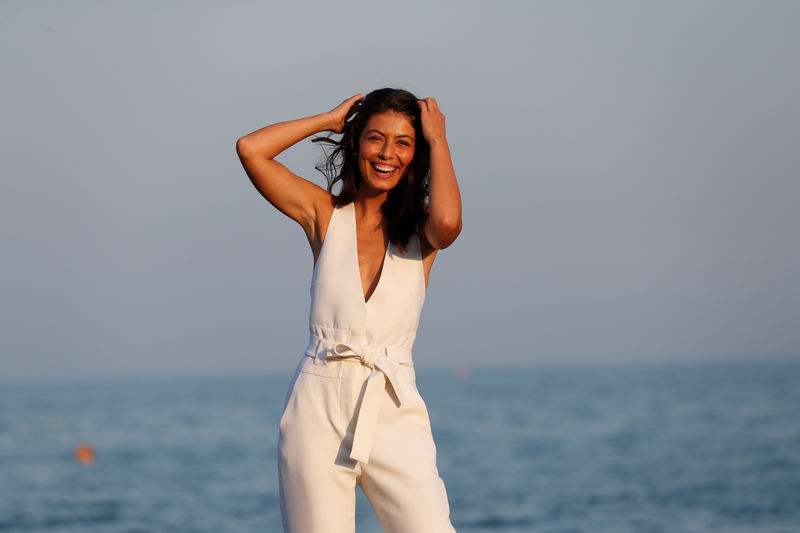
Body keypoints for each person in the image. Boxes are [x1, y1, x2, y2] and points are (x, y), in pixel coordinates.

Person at [236, 88, 462, 533]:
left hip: (394, 401)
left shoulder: (422, 229)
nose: (387, 154)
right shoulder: (323, 213)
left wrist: (439, 138)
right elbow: (251, 150)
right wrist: (327, 120)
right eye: (376, 138)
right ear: (357, 141)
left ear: (417, 154)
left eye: (404, 142)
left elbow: (450, 224)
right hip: (317, 403)